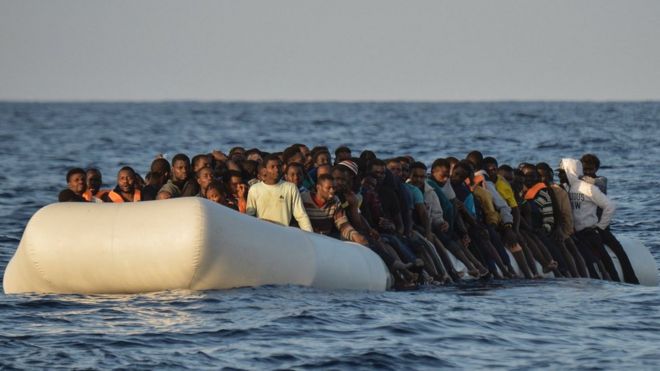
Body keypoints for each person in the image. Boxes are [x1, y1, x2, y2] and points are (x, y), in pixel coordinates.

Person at [559, 158, 630, 282]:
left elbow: (610, 206)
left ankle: (625, 281)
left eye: (562, 172)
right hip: (577, 233)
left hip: (593, 231)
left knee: (611, 257)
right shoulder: (565, 188)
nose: (560, 175)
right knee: (594, 260)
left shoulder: (590, 186)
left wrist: (600, 227)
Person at [245, 154, 313, 231]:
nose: (276, 169)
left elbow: (301, 215)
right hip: (262, 232)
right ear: (265, 170)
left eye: (279, 166)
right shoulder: (255, 189)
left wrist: (310, 235)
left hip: (283, 233)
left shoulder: (290, 188)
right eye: (272, 167)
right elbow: (250, 215)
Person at [301, 174, 368, 244]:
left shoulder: (335, 201)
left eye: (334, 188)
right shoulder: (304, 199)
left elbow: (342, 223)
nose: (332, 191)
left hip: (325, 240)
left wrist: (354, 235)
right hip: (306, 240)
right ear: (318, 187)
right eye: (328, 188)